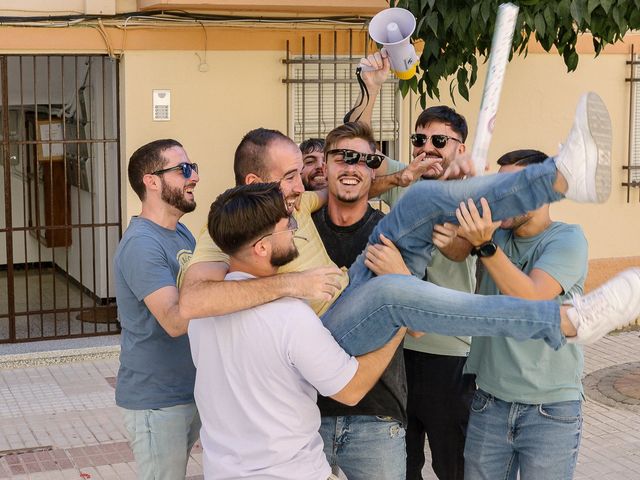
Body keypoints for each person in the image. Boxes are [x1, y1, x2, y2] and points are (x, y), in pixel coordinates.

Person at [179, 93, 640, 363]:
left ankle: (560, 176)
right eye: (291, 177)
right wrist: (293, 284)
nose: (306, 183)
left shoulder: (291, 202)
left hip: (348, 292)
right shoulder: (222, 231)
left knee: (420, 199)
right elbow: (192, 303)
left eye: (303, 172)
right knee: (391, 291)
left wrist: (402, 179)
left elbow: (353, 184)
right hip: (325, 334)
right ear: (256, 184)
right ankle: (568, 320)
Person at [188, 182, 406, 480]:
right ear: (262, 247)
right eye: (286, 224)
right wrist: (399, 324)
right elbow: (352, 389)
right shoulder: (290, 316)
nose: (294, 227)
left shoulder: (202, 315)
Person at [349, 52, 478, 480]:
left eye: (439, 141)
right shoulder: (406, 180)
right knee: (402, 467)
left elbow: (461, 250)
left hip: (448, 352)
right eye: (419, 140)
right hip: (397, 352)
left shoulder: (472, 194)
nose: (426, 149)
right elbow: (355, 152)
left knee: (452, 464)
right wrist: (372, 88)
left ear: (460, 147)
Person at [453, 149, 588, 479]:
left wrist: (485, 246)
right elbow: (453, 251)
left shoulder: (567, 239)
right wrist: (458, 194)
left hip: (550, 411)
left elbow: (531, 295)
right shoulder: (496, 232)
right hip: (489, 402)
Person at [312, 122, 408, 479]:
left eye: (364, 160)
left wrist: (400, 276)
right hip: (306, 413)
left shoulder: (393, 233)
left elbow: (417, 329)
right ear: (325, 166)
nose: (352, 167)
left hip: (376, 415)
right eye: (343, 157)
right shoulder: (299, 231)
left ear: (373, 170)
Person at [114, 139, 201, 479]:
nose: (193, 177)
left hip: (187, 389)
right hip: (157, 400)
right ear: (151, 181)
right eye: (183, 170)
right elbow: (175, 321)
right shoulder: (141, 244)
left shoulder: (180, 232)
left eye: (193, 168)